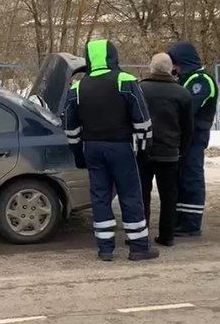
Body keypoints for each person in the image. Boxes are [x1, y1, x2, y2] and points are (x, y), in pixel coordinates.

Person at [64, 39, 158, 261]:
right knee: (130, 194)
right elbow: (143, 121)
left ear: (88, 59)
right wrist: (144, 150)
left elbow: (70, 126)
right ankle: (138, 247)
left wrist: (78, 153)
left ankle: (105, 248)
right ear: (113, 56)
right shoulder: (125, 81)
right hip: (121, 147)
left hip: (92, 149)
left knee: (100, 196)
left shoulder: (78, 87)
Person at [138, 53, 193, 247]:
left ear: (151, 68)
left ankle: (140, 234)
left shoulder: (140, 89)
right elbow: (188, 128)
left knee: (142, 194)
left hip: (144, 151)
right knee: (169, 196)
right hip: (170, 153)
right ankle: (167, 235)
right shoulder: (182, 93)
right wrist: (180, 150)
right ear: (171, 69)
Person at [168, 41, 217, 237]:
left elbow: (187, 108)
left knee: (191, 178)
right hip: (183, 138)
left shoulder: (201, 81)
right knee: (181, 178)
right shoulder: (184, 79)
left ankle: (191, 223)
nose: (173, 67)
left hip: (194, 138)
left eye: (175, 63)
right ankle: (181, 219)